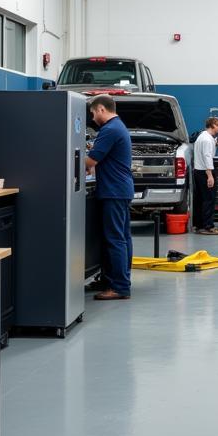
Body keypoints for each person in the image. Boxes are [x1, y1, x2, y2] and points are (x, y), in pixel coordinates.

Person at [85, 94, 134, 301]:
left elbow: (90, 160)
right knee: (122, 237)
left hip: (114, 191)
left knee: (115, 239)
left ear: (102, 109)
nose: (93, 117)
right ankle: (113, 279)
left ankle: (120, 286)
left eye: (93, 113)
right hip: (120, 189)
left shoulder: (109, 129)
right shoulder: (118, 127)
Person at [193, 116, 218, 235]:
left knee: (201, 199)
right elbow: (207, 156)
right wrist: (210, 175)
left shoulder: (202, 136)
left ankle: (199, 224)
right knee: (209, 199)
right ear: (212, 125)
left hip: (199, 171)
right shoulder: (207, 139)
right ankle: (208, 226)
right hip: (205, 172)